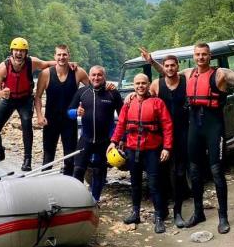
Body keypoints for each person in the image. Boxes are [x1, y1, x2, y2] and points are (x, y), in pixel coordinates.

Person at [141, 43, 234, 234]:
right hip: (194, 127)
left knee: (216, 171)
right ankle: (198, 212)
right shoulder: (187, 73)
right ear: (194, 56)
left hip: (214, 127)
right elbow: (166, 72)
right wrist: (152, 62)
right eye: (197, 54)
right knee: (194, 171)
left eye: (204, 54)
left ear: (209, 56)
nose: (200, 57)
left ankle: (223, 217)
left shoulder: (221, 74)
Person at [108, 73, 173, 234]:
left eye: (143, 83)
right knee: (135, 183)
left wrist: (167, 147)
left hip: (152, 149)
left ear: (148, 84)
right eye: (137, 83)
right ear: (134, 85)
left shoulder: (157, 103)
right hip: (132, 149)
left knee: (154, 184)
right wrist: (113, 142)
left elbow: (167, 126)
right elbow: (121, 124)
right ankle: (135, 213)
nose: (140, 86)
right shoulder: (128, 104)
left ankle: (159, 217)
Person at [0, 37, 61, 171]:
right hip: (8, 99)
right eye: (16, 50)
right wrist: (1, 93)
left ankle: (27, 160)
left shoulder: (31, 63)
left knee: (26, 123)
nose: (19, 53)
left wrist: (66, 63)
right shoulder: (4, 66)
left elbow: (46, 64)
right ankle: (0, 153)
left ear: (26, 53)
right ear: (12, 52)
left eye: (22, 51)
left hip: (25, 100)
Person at [68, 65, 123, 201]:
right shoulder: (82, 92)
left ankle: (95, 200)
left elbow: (123, 117)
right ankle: (77, 200)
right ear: (89, 76)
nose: (96, 78)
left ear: (104, 77)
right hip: (86, 139)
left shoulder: (112, 93)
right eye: (93, 75)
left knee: (99, 172)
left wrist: (119, 138)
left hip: (104, 141)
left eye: (99, 75)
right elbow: (69, 112)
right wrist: (76, 112)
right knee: (78, 170)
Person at [34, 44, 89, 176]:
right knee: (48, 157)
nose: (61, 57)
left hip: (69, 121)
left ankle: (68, 187)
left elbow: (93, 89)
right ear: (54, 56)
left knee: (70, 158)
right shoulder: (46, 74)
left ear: (69, 56)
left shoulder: (78, 72)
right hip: (51, 120)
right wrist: (40, 116)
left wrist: (84, 105)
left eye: (64, 54)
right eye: (59, 54)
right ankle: (44, 185)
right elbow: (37, 97)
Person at [148, 55, 189, 228]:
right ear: (163, 67)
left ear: (178, 66)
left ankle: (177, 212)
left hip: (182, 132)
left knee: (178, 174)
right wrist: (129, 97)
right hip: (161, 133)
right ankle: (162, 210)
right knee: (161, 173)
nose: (170, 68)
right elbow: (144, 98)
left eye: (173, 65)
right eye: (167, 66)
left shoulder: (185, 81)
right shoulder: (157, 84)